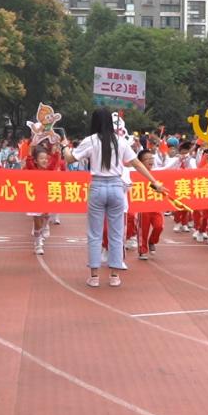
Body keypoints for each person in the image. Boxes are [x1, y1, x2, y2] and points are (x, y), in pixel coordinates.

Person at [65, 107, 167, 288]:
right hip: (116, 187)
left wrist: (65, 147)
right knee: (116, 233)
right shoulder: (120, 141)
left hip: (97, 186)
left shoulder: (90, 140)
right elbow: (136, 163)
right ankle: (114, 275)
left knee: (95, 233)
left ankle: (94, 276)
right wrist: (155, 181)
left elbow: (70, 159)